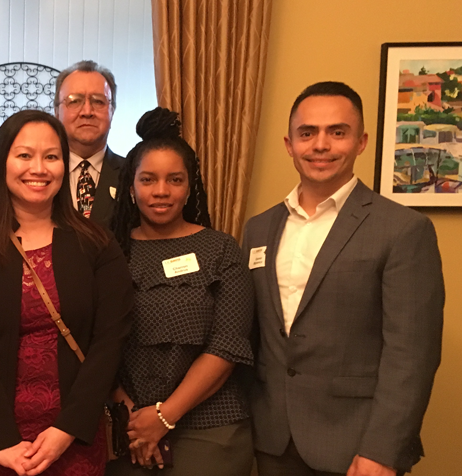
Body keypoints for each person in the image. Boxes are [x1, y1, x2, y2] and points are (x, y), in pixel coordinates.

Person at [243, 81, 444, 476]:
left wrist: (382, 451)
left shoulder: (403, 230)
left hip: (357, 447)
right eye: (307, 133)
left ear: (361, 141)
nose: (321, 145)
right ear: (289, 144)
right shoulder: (258, 228)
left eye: (337, 132)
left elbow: (412, 357)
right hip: (271, 440)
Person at [0, 109, 133, 476]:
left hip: (73, 435)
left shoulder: (96, 244)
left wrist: (68, 429)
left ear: (65, 165)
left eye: (51, 156)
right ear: (2, 163)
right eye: (24, 155)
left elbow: (111, 339)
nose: (39, 168)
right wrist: (0, 440)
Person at [105, 108, 255, 475]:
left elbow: (228, 345)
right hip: (129, 430)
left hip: (209, 429)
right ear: (130, 186)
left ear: (190, 186)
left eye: (174, 180)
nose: (161, 191)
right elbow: (94, 343)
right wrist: (135, 420)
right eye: (148, 179)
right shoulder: (107, 254)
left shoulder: (221, 250)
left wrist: (164, 417)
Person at [54, 60, 125, 227]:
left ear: (112, 111)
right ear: (57, 112)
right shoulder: (40, 175)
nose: (87, 112)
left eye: (98, 101)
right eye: (74, 101)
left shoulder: (133, 174)